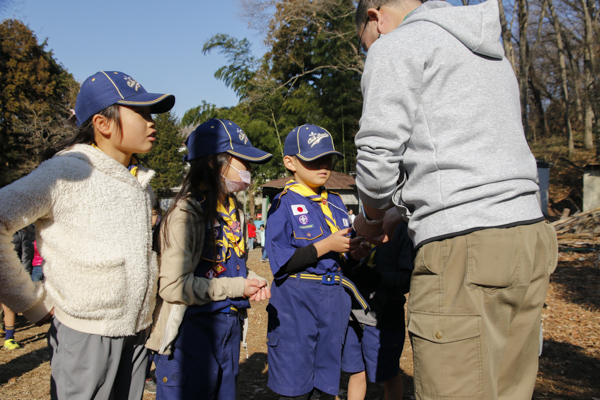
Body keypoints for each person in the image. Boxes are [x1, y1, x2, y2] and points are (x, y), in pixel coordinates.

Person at [352, 1, 559, 399]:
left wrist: (372, 217)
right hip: (530, 240)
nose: (370, 50)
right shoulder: (488, 50)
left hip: (465, 253)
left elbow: (376, 164)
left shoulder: (397, 45)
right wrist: (403, 211)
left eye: (367, 43)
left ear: (375, 16)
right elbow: (472, 160)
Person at [0, 70, 175, 399]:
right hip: (86, 333)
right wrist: (32, 303)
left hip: (136, 332)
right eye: (140, 112)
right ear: (103, 123)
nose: (152, 122)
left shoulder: (135, 178)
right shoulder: (67, 171)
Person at [146, 118, 273, 400]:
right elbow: (172, 287)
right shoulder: (186, 213)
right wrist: (237, 287)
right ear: (216, 163)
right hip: (189, 334)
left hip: (228, 330)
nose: (250, 170)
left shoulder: (232, 212)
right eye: (244, 161)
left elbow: (225, 265)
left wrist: (250, 277)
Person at [265, 124, 367, 400]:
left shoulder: (334, 202)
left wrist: (353, 252)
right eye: (313, 160)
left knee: (326, 383)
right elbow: (281, 262)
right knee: (295, 385)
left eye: (328, 158)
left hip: (333, 299)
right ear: (290, 162)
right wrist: (326, 246)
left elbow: (342, 260)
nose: (323, 166)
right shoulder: (283, 204)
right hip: (297, 302)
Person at [342, 222, 414, 400]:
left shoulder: (403, 229)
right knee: (356, 371)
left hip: (385, 319)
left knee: (389, 374)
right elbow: (346, 260)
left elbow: (407, 278)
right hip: (352, 316)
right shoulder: (360, 225)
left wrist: (378, 278)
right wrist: (351, 265)